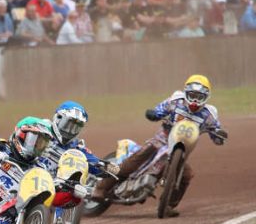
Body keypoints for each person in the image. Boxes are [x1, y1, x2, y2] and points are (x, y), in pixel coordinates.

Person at [92, 75, 228, 216]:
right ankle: (100, 188)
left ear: (206, 97)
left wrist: (220, 136)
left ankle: (168, 205)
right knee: (133, 162)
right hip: (161, 140)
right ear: (186, 92)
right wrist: (154, 114)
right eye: (192, 95)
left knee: (187, 175)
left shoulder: (209, 114)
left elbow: (217, 135)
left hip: (182, 149)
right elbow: (159, 110)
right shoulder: (176, 101)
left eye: (199, 97)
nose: (194, 100)